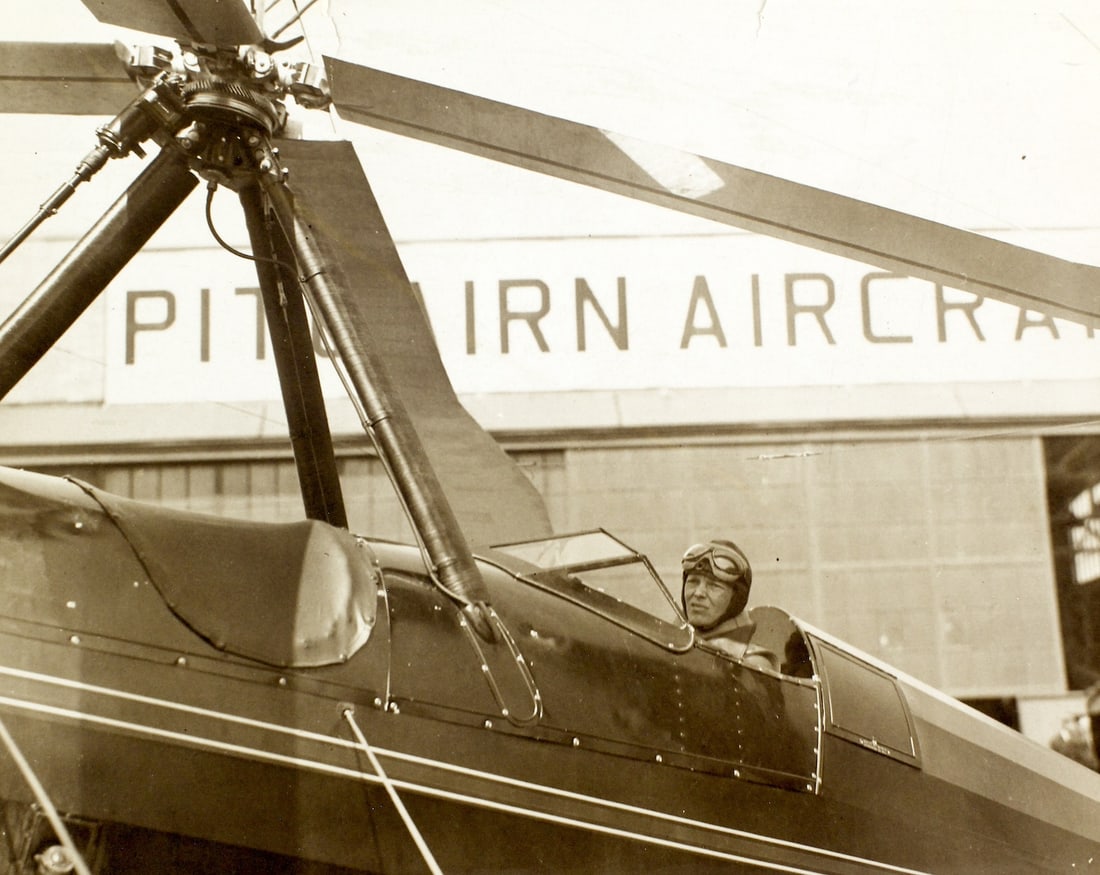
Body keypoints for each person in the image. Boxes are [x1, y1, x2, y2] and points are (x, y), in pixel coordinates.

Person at [681, 539, 779, 672]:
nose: (698, 593)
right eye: (693, 581)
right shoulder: (674, 643)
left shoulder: (751, 663)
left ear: (735, 599)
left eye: (713, 586)